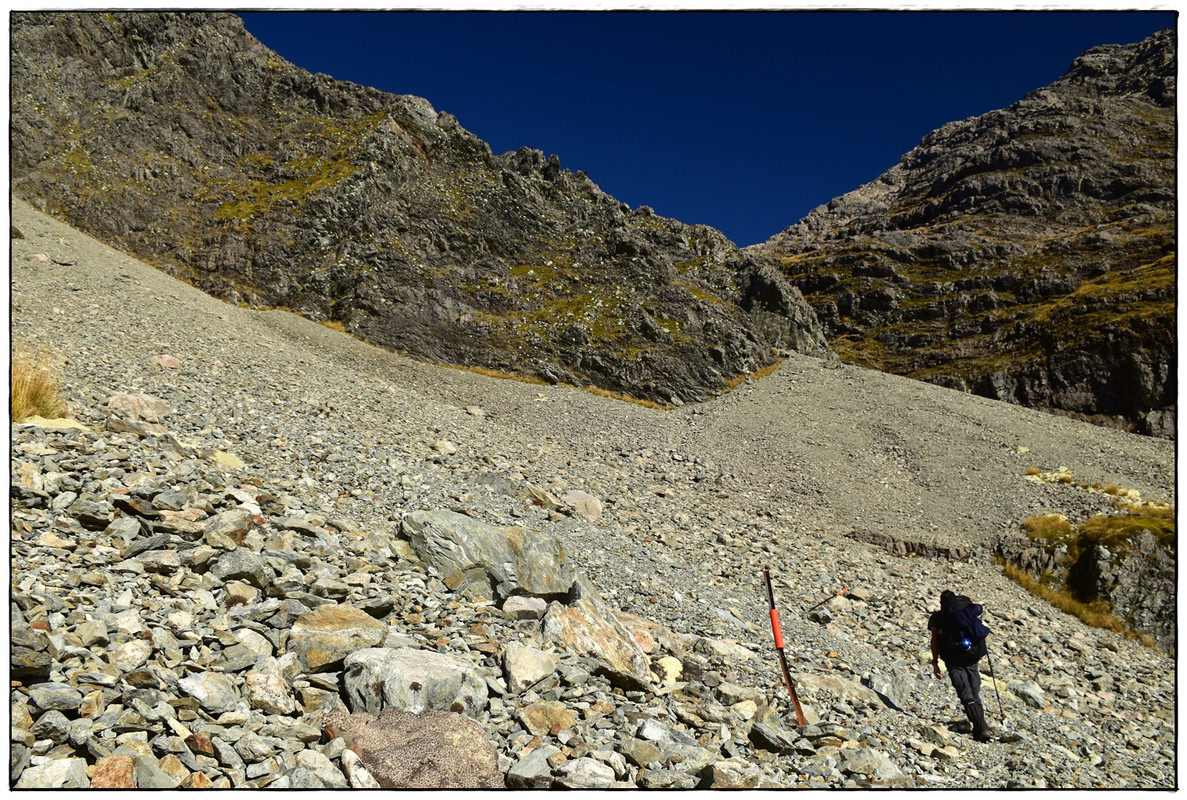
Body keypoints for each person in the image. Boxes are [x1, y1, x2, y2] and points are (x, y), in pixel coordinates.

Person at [929, 589, 991, 742]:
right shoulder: (966, 613)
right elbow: (983, 635)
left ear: (941, 602)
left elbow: (935, 641)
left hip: (953, 661)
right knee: (974, 693)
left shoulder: (937, 618)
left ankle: (981, 728)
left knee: (965, 693)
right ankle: (980, 728)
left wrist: (935, 662)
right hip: (972, 658)